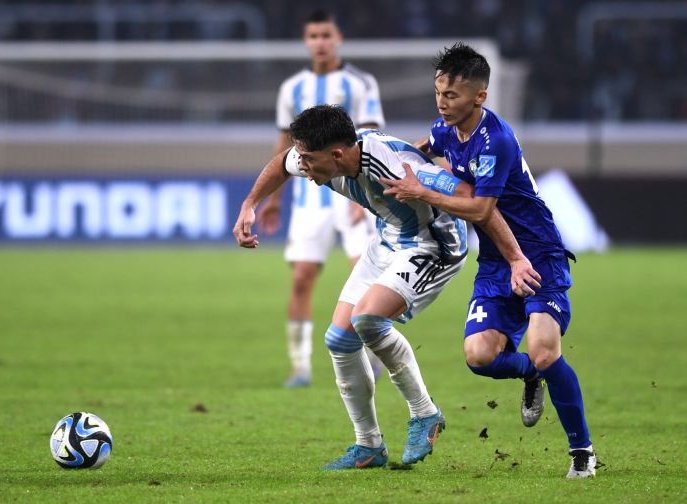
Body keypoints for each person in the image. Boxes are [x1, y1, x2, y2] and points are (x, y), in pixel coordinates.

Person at [233, 105, 536, 470]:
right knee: (339, 340)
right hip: (389, 239)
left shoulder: (395, 166)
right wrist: (250, 203)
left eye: (310, 161)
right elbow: (282, 161)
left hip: (433, 245)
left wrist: (516, 258)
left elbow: (474, 199)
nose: (305, 168)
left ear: (338, 154)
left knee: (368, 319)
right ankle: (369, 445)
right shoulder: (318, 157)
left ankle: (425, 413)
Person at [381, 42, 596, 478]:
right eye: (439, 92)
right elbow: (426, 147)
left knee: (543, 350)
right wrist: (397, 162)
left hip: (538, 254)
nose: (442, 102)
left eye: (452, 95)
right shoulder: (446, 129)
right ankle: (530, 376)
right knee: (479, 356)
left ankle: (582, 451)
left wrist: (422, 192)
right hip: (497, 264)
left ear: (479, 96)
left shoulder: (494, 140)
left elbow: (482, 210)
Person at [256, 9, 385, 388]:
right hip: (309, 199)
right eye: (313, 36)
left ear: (338, 37)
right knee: (301, 279)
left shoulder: (361, 83)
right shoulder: (291, 88)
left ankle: (377, 358)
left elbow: (372, 137)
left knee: (366, 277)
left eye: (326, 35)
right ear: (306, 40)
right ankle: (300, 367)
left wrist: (364, 195)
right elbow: (284, 146)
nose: (320, 42)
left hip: (355, 195)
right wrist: (274, 199)